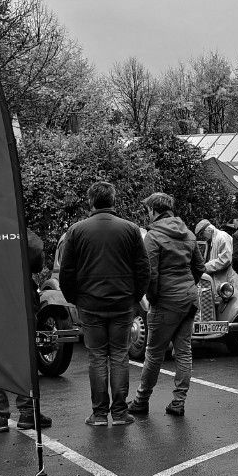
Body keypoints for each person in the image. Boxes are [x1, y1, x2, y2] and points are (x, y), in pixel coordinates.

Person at [57, 180, 152, 427]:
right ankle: (120, 413)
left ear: (91, 201)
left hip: (89, 303)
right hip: (122, 303)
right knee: (119, 355)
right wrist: (134, 296)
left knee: (97, 356)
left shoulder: (76, 231)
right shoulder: (131, 229)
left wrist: (73, 298)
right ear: (113, 200)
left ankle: (99, 414)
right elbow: (143, 269)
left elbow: (67, 271)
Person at [131, 193, 204, 418]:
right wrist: (187, 286)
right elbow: (199, 267)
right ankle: (178, 402)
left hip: (166, 301)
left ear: (153, 210)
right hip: (189, 299)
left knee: (154, 353)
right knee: (183, 352)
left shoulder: (153, 237)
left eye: (148, 210)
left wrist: (153, 297)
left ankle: (141, 401)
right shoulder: (188, 234)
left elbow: (149, 274)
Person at [0, 230, 53, 431]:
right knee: (24, 356)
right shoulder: (14, 224)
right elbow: (37, 257)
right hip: (20, 296)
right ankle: (28, 412)